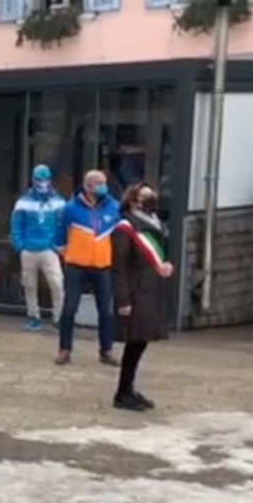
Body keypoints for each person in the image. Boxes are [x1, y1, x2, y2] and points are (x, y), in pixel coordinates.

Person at [111, 183, 172, 411]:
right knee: (133, 344)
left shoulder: (153, 225)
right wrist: (123, 300)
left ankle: (128, 389)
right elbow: (120, 268)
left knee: (139, 344)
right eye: (144, 197)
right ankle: (122, 393)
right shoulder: (125, 229)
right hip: (136, 293)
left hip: (150, 291)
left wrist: (164, 266)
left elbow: (154, 256)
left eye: (151, 196)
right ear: (132, 201)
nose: (150, 201)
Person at [55, 169, 121, 367]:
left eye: (104, 182)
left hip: (102, 266)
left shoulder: (114, 208)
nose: (103, 187)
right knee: (69, 309)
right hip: (76, 266)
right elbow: (59, 237)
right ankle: (64, 349)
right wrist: (69, 255)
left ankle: (106, 350)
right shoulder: (70, 209)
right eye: (99, 183)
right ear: (87, 186)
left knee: (106, 311)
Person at [11, 164, 66, 332]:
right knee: (29, 285)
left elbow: (63, 225)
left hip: (49, 249)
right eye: (39, 179)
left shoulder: (58, 202)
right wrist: (20, 245)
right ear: (33, 180)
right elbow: (16, 225)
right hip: (28, 249)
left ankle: (59, 317)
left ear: (50, 180)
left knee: (57, 283)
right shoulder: (23, 202)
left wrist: (57, 245)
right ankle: (33, 316)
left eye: (45, 179)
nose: (42, 182)